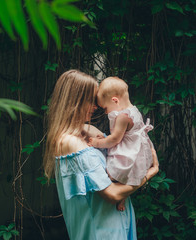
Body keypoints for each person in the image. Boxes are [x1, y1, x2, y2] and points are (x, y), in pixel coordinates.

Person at [43, 70, 159, 239]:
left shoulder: (87, 131)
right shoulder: (69, 142)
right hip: (101, 230)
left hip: (117, 221)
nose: (96, 106)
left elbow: (125, 152)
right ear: (75, 102)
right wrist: (150, 174)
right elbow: (112, 194)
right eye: (91, 100)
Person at [89, 76, 154, 211]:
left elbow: (115, 140)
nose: (105, 112)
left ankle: (119, 196)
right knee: (127, 176)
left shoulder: (123, 117)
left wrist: (97, 142)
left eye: (105, 107)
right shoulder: (134, 110)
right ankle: (123, 199)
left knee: (115, 172)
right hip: (137, 150)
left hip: (128, 150)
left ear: (115, 100)